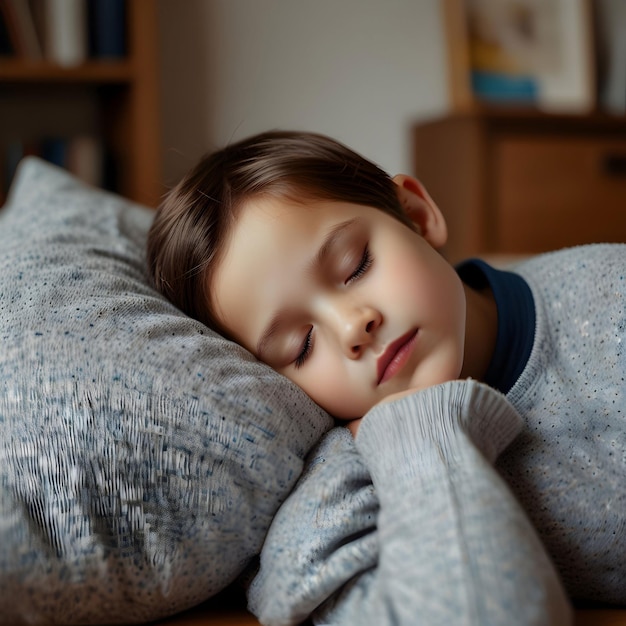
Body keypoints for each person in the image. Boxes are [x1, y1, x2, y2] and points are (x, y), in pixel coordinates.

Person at [147, 130, 626, 625]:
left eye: (356, 266)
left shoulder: (610, 295)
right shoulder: (337, 492)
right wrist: (421, 433)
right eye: (302, 346)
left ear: (416, 216)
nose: (354, 325)